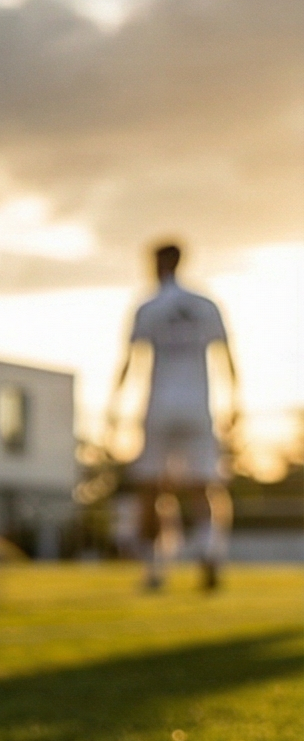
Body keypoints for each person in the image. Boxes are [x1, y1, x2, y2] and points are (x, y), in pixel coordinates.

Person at [110, 240, 240, 592]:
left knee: (151, 489)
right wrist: (235, 401)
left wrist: (114, 407)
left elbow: (129, 360)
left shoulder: (148, 306)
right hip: (198, 408)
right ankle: (209, 554)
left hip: (159, 408)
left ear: (159, 263)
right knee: (203, 487)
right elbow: (226, 356)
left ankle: (155, 569)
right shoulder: (205, 304)